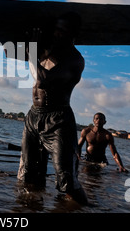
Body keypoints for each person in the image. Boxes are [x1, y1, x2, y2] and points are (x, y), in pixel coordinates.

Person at [17, 12, 88, 205]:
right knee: (27, 175)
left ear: (73, 34)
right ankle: (29, 209)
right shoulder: (46, 51)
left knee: (67, 181)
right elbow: (9, 52)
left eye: (62, 31)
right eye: (55, 30)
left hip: (58, 121)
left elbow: (42, 80)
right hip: (33, 117)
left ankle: (85, 208)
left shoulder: (74, 59)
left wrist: (32, 50)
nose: (57, 34)